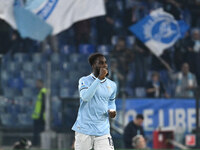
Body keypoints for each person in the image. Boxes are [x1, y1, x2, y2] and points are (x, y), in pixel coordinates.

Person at [72, 53, 117, 150]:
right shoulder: (84, 80)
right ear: (93, 66)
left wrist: (112, 110)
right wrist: (99, 79)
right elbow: (85, 97)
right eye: (100, 63)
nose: (104, 65)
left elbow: (111, 102)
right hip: (84, 129)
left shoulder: (112, 85)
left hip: (103, 130)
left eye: (105, 63)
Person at [32, 79, 47, 146]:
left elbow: (44, 104)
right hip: (38, 115)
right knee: (37, 131)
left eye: (38, 83)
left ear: (41, 83)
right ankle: (37, 144)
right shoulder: (41, 92)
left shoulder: (43, 91)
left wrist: (41, 114)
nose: (36, 85)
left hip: (40, 116)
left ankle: (37, 144)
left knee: (38, 131)